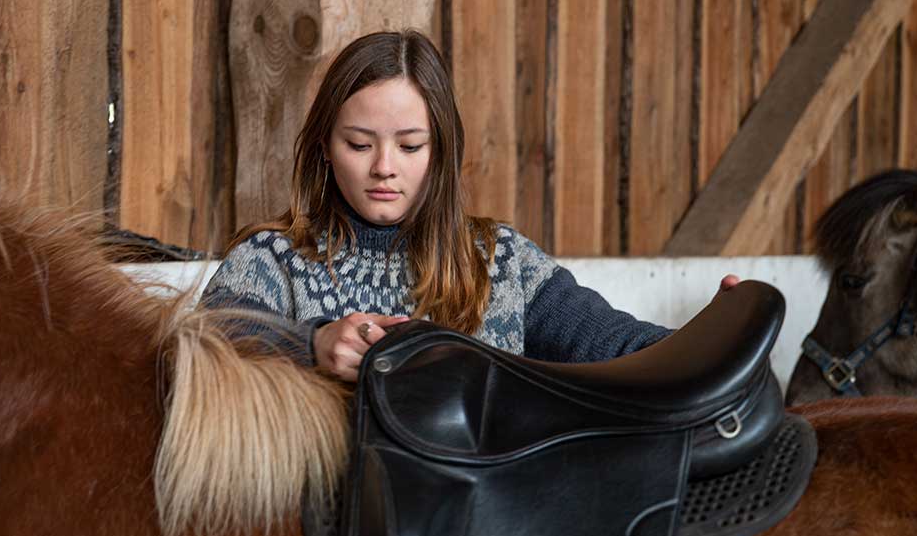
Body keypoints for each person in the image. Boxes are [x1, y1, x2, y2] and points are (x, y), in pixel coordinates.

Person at [200, 30, 736, 381]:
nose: (384, 166)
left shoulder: (501, 260)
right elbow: (208, 343)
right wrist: (309, 343)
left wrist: (709, 338)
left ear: (442, 150)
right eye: (359, 144)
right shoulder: (272, 258)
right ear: (324, 146)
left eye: (411, 146)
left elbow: (610, 342)